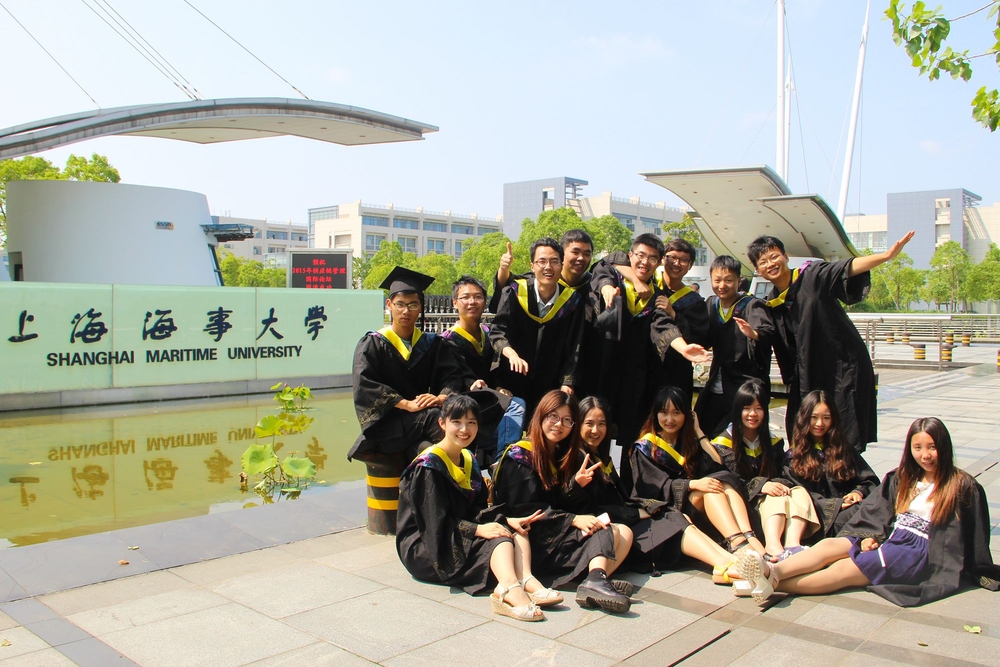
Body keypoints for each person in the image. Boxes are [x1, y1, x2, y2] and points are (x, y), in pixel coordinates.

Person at [738, 417, 1000, 606]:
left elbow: (973, 535)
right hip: (891, 535)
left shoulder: (961, 486)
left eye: (932, 447)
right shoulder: (902, 477)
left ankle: (770, 582)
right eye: (918, 448)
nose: (925, 455)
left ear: (944, 447)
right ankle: (770, 571)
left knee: (844, 570)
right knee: (831, 545)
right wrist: (869, 536)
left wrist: (977, 568)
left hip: (917, 550)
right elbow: (878, 513)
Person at [748, 231, 915, 451]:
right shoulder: (772, 303)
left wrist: (886, 256)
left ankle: (846, 469)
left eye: (774, 256)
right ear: (758, 270)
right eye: (763, 262)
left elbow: (848, 268)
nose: (770, 264)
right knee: (802, 430)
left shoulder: (812, 276)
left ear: (786, 257)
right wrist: (754, 335)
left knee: (843, 430)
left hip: (841, 367)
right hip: (809, 372)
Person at [396, 395, 548, 621]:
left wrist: (505, 520)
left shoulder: (467, 458)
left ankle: (524, 581)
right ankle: (510, 591)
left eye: (471, 422)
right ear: (442, 423)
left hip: (454, 531)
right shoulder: (428, 466)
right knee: (499, 541)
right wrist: (477, 529)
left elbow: (476, 509)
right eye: (456, 422)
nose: (464, 429)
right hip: (425, 545)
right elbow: (433, 522)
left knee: (510, 531)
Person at [570, 396, 744, 582]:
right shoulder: (578, 460)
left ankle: (730, 562)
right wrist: (636, 514)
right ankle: (725, 564)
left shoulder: (599, 456)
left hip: (620, 520)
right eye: (589, 423)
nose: (595, 430)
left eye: (602, 424)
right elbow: (590, 508)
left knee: (675, 516)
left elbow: (717, 466)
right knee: (671, 522)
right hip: (604, 531)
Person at [492, 390, 634, 613]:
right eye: (553, 417)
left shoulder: (559, 454)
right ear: (541, 416)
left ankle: (595, 580)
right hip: (528, 542)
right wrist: (573, 519)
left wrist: (575, 486)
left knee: (624, 532)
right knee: (604, 531)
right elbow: (526, 511)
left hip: (553, 531)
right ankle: (596, 581)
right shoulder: (520, 456)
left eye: (567, 420)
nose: (559, 424)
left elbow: (557, 501)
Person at [590, 234, 708, 491]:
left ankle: (629, 489)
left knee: (631, 435)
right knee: (597, 427)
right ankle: (592, 485)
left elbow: (662, 325)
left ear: (658, 262)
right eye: (640, 256)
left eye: (652, 258)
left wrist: (683, 347)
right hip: (605, 371)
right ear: (631, 256)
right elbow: (603, 267)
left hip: (638, 378)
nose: (645, 262)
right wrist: (607, 287)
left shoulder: (658, 297)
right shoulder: (617, 279)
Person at [630, 386, 767, 556]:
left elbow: (718, 465)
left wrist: (698, 431)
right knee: (711, 488)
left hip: (695, 503)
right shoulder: (646, 447)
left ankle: (747, 537)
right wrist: (692, 484)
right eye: (664, 412)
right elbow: (651, 489)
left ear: (686, 415)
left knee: (720, 481)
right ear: (655, 414)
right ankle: (738, 542)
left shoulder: (688, 442)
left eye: (676, 413)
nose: (670, 419)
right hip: (667, 509)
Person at [348, 266, 465, 462]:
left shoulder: (432, 344)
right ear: (389, 304)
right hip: (387, 427)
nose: (406, 311)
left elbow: (452, 376)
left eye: (413, 305)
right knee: (437, 417)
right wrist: (407, 405)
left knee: (434, 441)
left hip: (420, 419)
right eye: (400, 304)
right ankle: (466, 470)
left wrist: (440, 397)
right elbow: (365, 384)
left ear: (421, 306)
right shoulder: (373, 344)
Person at [711, 381, 815, 562]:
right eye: (747, 408)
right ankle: (774, 547)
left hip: (770, 506)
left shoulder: (773, 443)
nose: (753, 414)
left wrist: (776, 485)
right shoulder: (723, 445)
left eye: (758, 408)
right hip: (743, 510)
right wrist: (761, 485)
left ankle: (793, 545)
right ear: (737, 410)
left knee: (798, 491)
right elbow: (729, 482)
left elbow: (782, 474)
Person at [489, 238, 586, 419]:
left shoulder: (572, 302)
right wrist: (511, 354)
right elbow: (498, 330)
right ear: (532, 266)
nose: (548, 267)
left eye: (554, 261)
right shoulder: (515, 292)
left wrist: (568, 381)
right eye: (542, 261)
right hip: (512, 376)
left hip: (550, 379)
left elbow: (576, 345)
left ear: (562, 265)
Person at [440, 275, 522, 464]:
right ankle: (504, 461)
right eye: (465, 297)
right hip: (463, 400)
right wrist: (470, 383)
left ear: (485, 301)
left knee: (518, 403)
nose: (472, 302)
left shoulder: (489, 334)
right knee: (516, 406)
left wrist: (499, 386)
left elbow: (496, 367)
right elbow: (451, 374)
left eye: (478, 297)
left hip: (489, 398)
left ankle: (503, 460)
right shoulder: (446, 340)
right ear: (454, 303)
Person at [779, 390, 879, 540]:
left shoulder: (843, 450)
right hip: (818, 520)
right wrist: (837, 504)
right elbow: (801, 495)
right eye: (814, 417)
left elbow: (869, 480)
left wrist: (858, 492)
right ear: (804, 418)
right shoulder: (794, 457)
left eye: (826, 418)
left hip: (850, 510)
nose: (820, 423)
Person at [695, 256, 774, 438]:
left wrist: (754, 334)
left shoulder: (752, 305)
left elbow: (768, 332)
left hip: (744, 385)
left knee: (742, 437)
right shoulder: (711, 304)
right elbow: (703, 336)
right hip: (716, 384)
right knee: (700, 430)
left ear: (739, 281)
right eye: (717, 280)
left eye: (728, 280)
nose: (722, 285)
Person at [652, 238, 711, 401]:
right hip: (645, 366)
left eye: (684, 260)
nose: (677, 263)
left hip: (675, 371)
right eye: (672, 257)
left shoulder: (695, 301)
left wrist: (674, 315)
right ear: (663, 259)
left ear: (690, 265)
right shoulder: (649, 284)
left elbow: (699, 339)